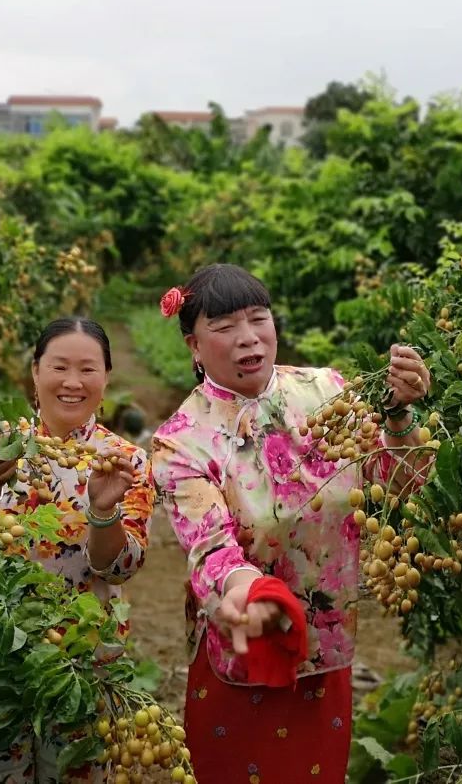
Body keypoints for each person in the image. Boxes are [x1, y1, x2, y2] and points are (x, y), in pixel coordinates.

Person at [151, 264, 432, 784]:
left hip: (327, 646)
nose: (248, 337)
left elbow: (399, 484)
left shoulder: (328, 392)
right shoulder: (182, 440)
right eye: (225, 326)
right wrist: (245, 594)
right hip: (244, 650)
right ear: (193, 345)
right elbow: (209, 548)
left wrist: (400, 417)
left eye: (259, 318)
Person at [0, 317, 154, 784]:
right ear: (35, 371)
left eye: (87, 369)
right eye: (59, 366)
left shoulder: (124, 461)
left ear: (106, 378)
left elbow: (121, 567)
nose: (72, 382)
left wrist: (103, 511)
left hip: (81, 661)